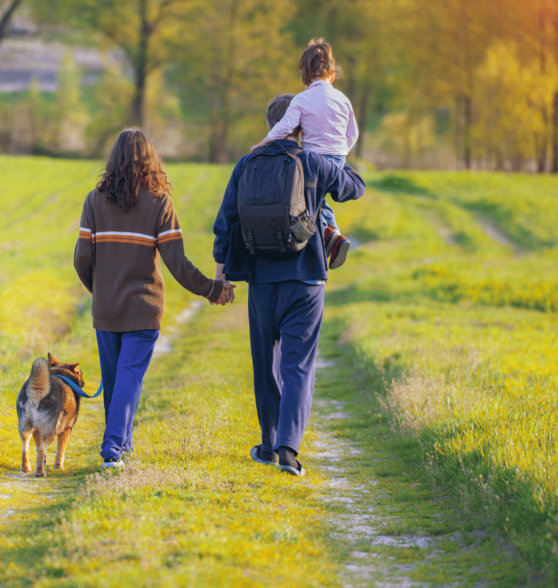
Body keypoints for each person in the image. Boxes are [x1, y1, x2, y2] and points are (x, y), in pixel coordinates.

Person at [214, 95, 365, 477]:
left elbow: (226, 223)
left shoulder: (246, 164)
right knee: (298, 366)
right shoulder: (312, 162)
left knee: (265, 365)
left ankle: (266, 445)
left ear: (270, 124)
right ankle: (288, 450)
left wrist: (222, 275)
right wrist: (335, 149)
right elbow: (355, 188)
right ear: (301, 124)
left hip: (262, 282)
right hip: (306, 279)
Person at [75, 128, 235, 469]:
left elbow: (81, 259)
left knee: (117, 381)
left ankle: (121, 445)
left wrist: (100, 291)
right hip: (144, 311)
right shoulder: (160, 201)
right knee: (127, 380)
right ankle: (113, 449)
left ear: (113, 160)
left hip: (106, 309)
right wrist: (211, 288)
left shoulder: (94, 200)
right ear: (150, 160)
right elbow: (177, 263)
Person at [250, 39, 358, 269]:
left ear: (305, 75)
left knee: (310, 202)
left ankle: (330, 234)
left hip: (311, 159)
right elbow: (353, 132)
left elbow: (285, 126)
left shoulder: (302, 98)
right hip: (338, 158)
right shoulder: (343, 99)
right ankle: (333, 234)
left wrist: (264, 141)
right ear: (332, 73)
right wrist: (342, 152)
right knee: (321, 199)